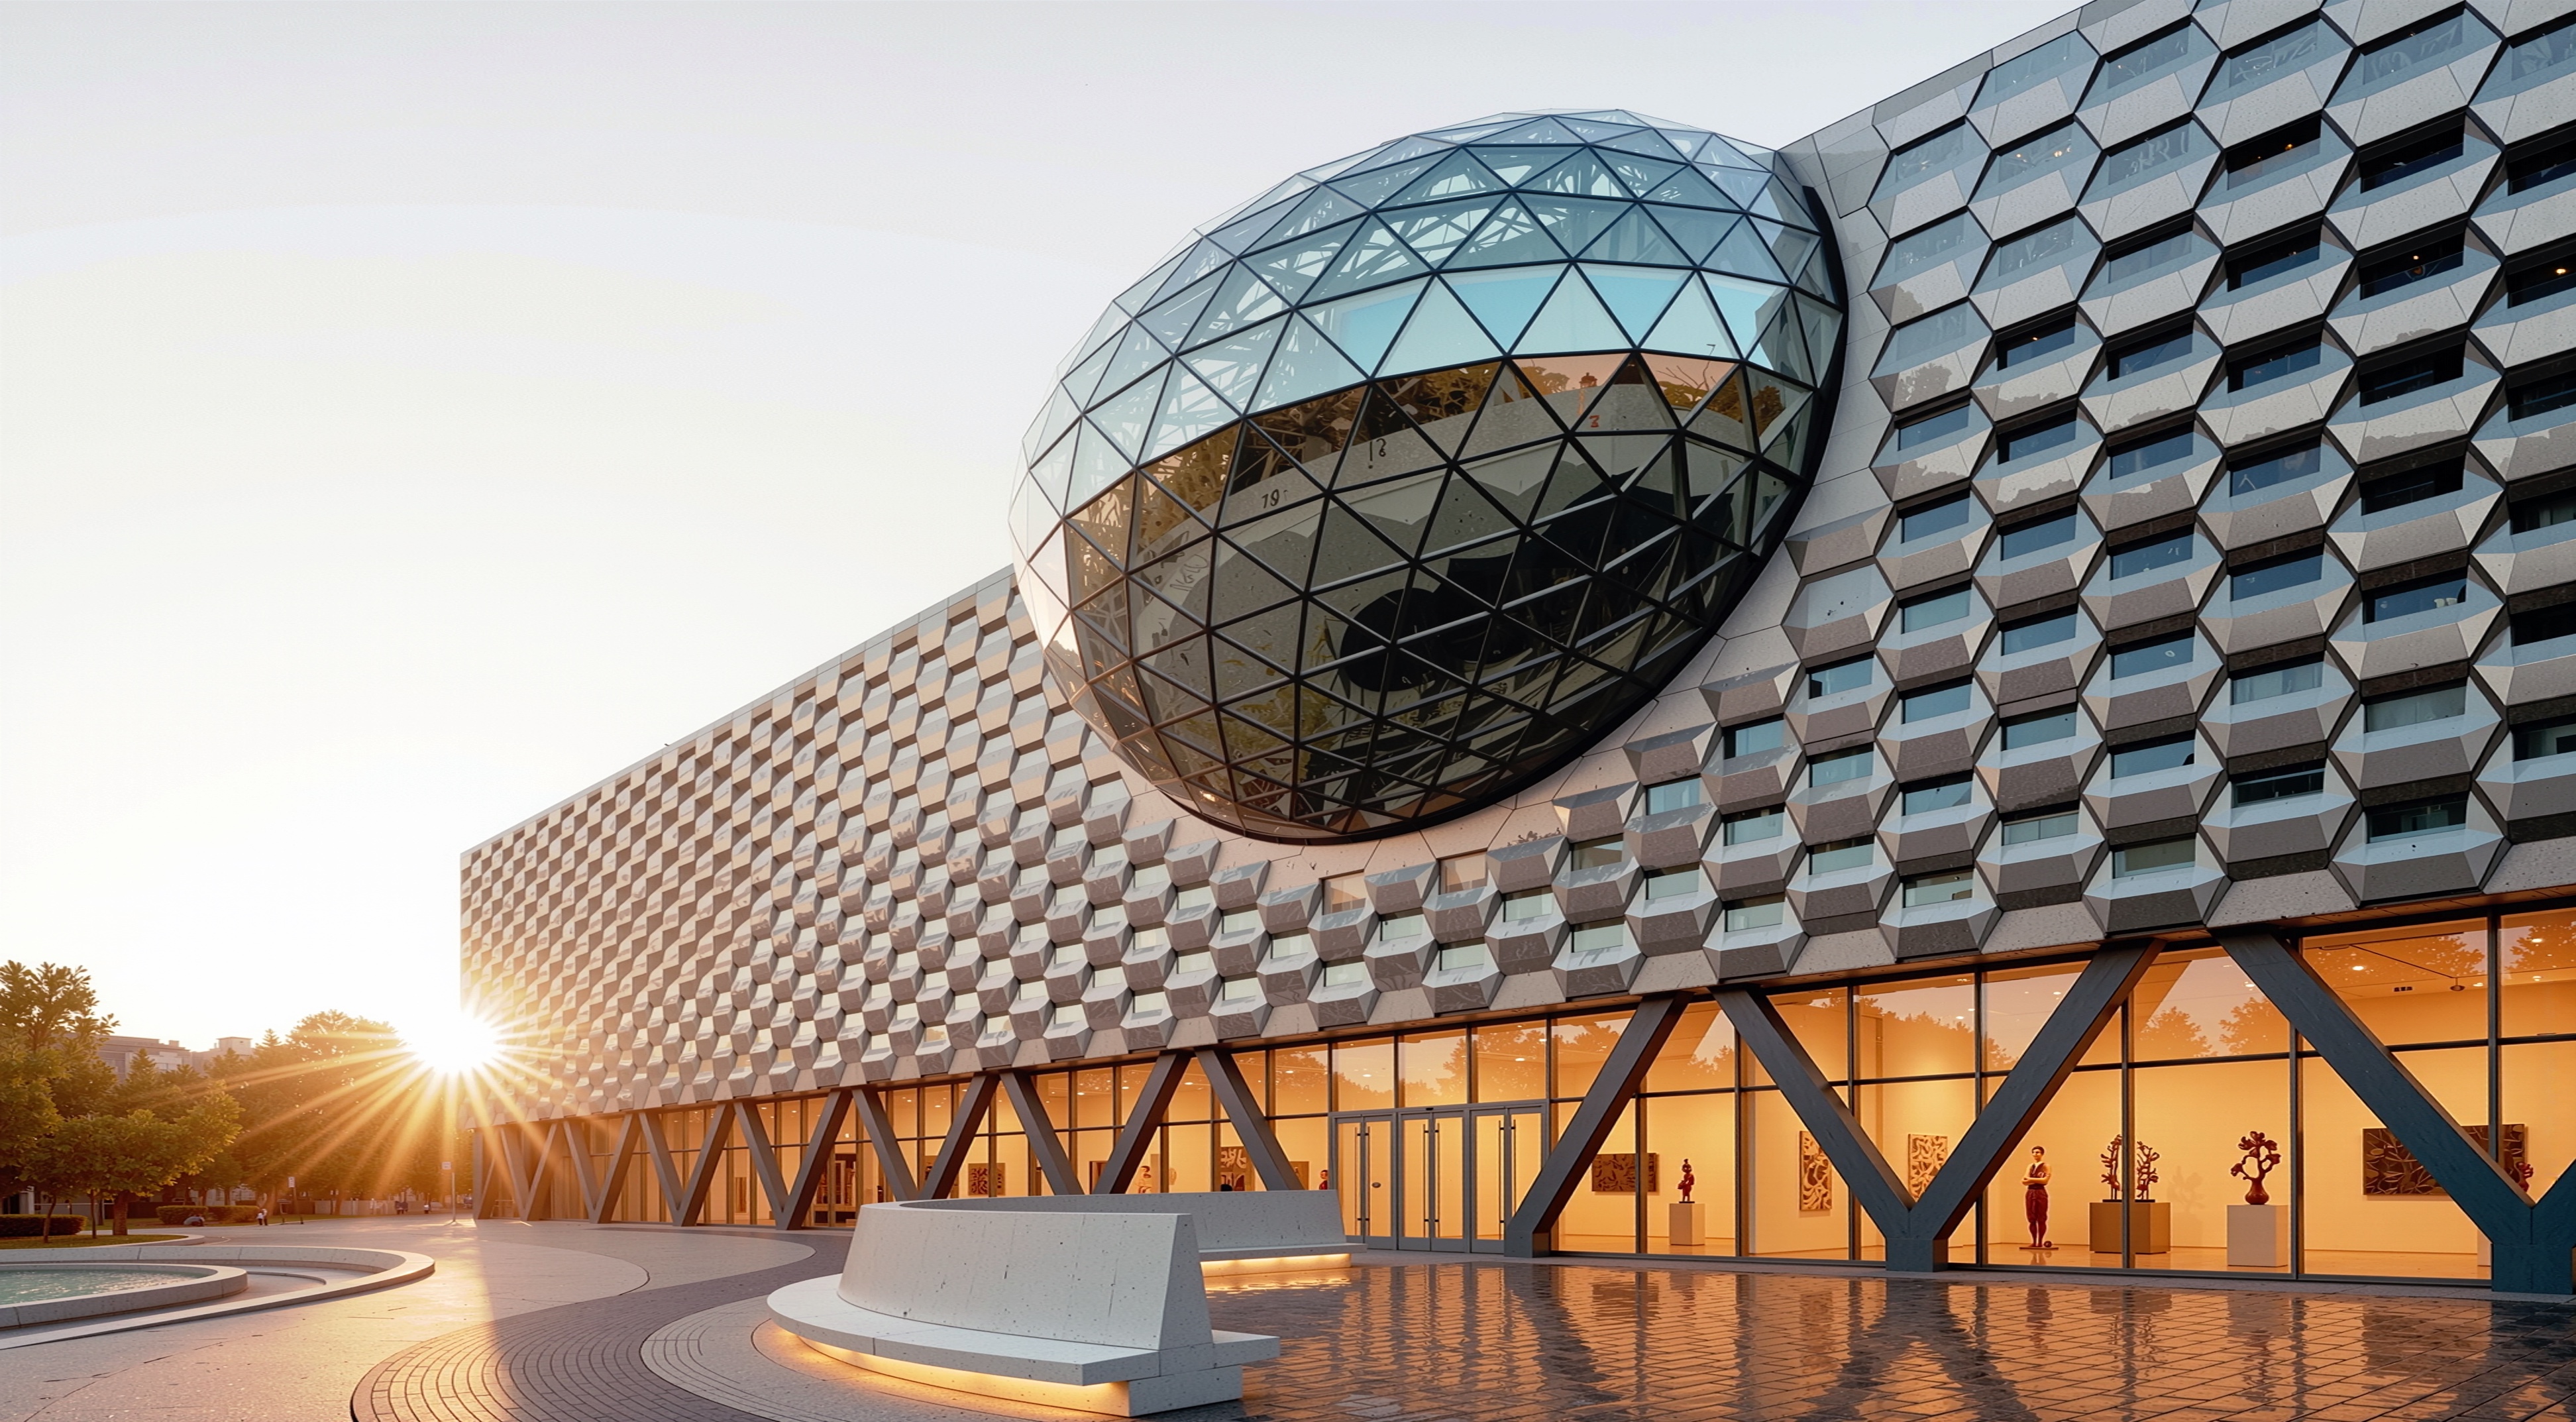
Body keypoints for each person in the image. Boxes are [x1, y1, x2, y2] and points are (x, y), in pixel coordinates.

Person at [2022, 1145, 2052, 1250]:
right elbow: (2024, 1181)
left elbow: (2045, 1181)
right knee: (2031, 1218)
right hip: (2030, 1192)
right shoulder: (2030, 1166)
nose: (2035, 1154)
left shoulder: (2046, 1166)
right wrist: (2035, 1179)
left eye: (2038, 1152)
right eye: (2034, 1152)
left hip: (2040, 1193)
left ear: (2042, 1154)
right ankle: (2034, 1241)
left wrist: (2030, 1179)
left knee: (2042, 1218)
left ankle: (2040, 1241)